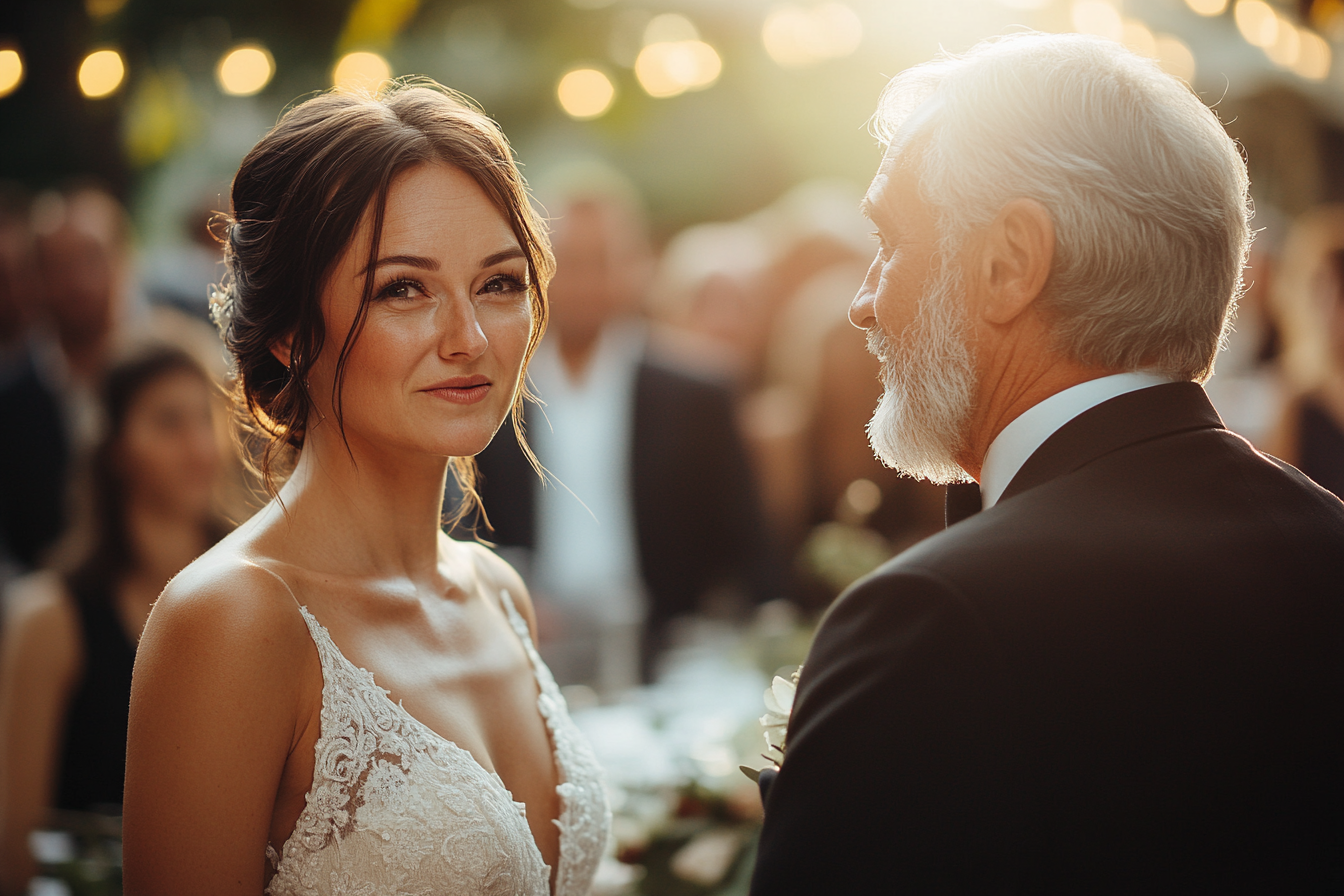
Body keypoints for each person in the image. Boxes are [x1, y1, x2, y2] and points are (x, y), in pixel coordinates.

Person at [751, 32, 1344, 894]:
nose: (863, 300)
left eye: (890, 241)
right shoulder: (1330, 544)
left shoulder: (932, 619)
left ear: (1010, 263)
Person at [122, 82, 610, 895]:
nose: (470, 339)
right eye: (403, 289)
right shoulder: (232, 623)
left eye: (499, 283)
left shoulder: (498, 593)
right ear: (287, 331)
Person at [468, 186, 776, 690]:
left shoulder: (696, 392)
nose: (587, 281)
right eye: (569, 261)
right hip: (525, 651)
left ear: (638, 266)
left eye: (603, 261)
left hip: (668, 657)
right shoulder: (488, 389)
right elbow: (462, 524)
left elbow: (748, 544)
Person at [0, 345, 225, 895]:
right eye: (169, 422)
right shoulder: (49, 616)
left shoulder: (258, 590)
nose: (198, 446)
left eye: (205, 418)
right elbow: (13, 845)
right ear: (117, 448)